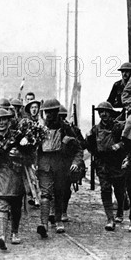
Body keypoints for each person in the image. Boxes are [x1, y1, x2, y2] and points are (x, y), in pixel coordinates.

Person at [0, 108, 33, 249]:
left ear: (9, 121)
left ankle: (15, 232)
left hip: (16, 175)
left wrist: (19, 154)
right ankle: (1, 236)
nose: (1, 123)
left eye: (4, 119)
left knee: (16, 205)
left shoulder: (18, 138)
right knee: (1, 205)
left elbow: (30, 157)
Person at [36, 98, 84, 237]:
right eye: (47, 112)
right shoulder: (39, 128)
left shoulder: (66, 128)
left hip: (61, 166)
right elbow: (34, 149)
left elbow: (78, 148)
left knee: (59, 193)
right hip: (45, 166)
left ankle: (57, 221)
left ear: (58, 112)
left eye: (52, 112)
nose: (49, 115)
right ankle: (43, 224)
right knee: (45, 194)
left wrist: (75, 163)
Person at [86, 102, 131, 231]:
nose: (103, 114)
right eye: (101, 112)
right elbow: (89, 144)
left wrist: (120, 145)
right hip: (103, 164)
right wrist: (96, 153)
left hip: (117, 162)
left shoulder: (119, 127)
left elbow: (128, 141)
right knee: (105, 189)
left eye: (105, 111)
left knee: (119, 189)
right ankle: (110, 219)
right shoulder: (95, 129)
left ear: (111, 113)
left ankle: (120, 212)